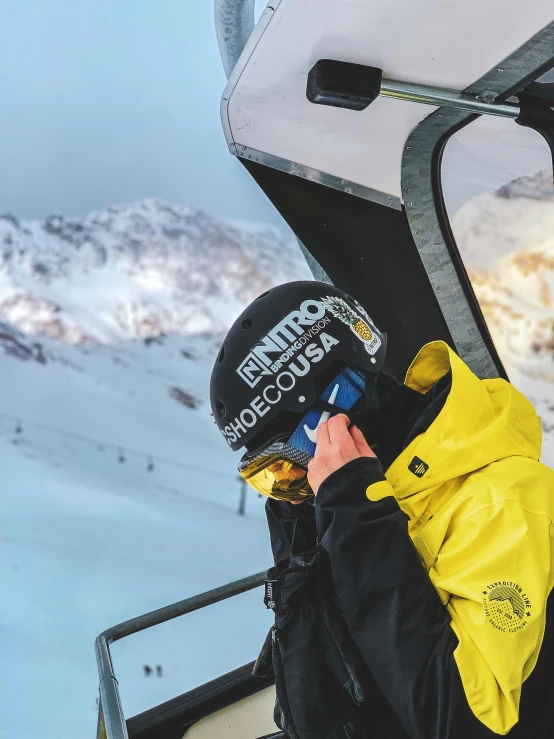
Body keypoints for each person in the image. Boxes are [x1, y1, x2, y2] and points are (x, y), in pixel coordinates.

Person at [210, 280, 554, 738]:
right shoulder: (366, 497)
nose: (294, 485)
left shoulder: (499, 502)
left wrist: (356, 521)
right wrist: (308, 523)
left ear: (336, 410)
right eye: (271, 478)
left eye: (287, 460)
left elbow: (468, 722)